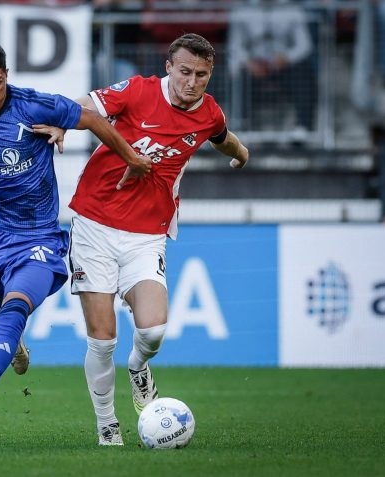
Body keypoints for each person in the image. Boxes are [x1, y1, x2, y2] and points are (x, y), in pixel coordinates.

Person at [0, 40, 152, 433]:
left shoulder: (33, 105)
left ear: (6, 76)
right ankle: (11, 340)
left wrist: (131, 157)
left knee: (15, 307)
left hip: (38, 237)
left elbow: (92, 119)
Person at [39, 33, 249, 446]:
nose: (191, 82)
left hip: (147, 235)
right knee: (102, 339)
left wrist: (242, 155)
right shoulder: (137, 91)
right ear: (168, 67)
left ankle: (138, 367)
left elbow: (223, 137)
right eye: (184, 71)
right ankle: (107, 425)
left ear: (210, 74)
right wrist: (62, 123)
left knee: (152, 332)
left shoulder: (208, 113)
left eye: (201, 75)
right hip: (94, 224)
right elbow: (86, 105)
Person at [227, 0, 317, 134]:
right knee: (236, 73)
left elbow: (304, 45)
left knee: (304, 73)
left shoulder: (293, 10)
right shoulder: (242, 11)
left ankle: (303, 128)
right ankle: (240, 126)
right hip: (254, 66)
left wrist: (287, 57)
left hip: (284, 67)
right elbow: (235, 46)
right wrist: (248, 62)